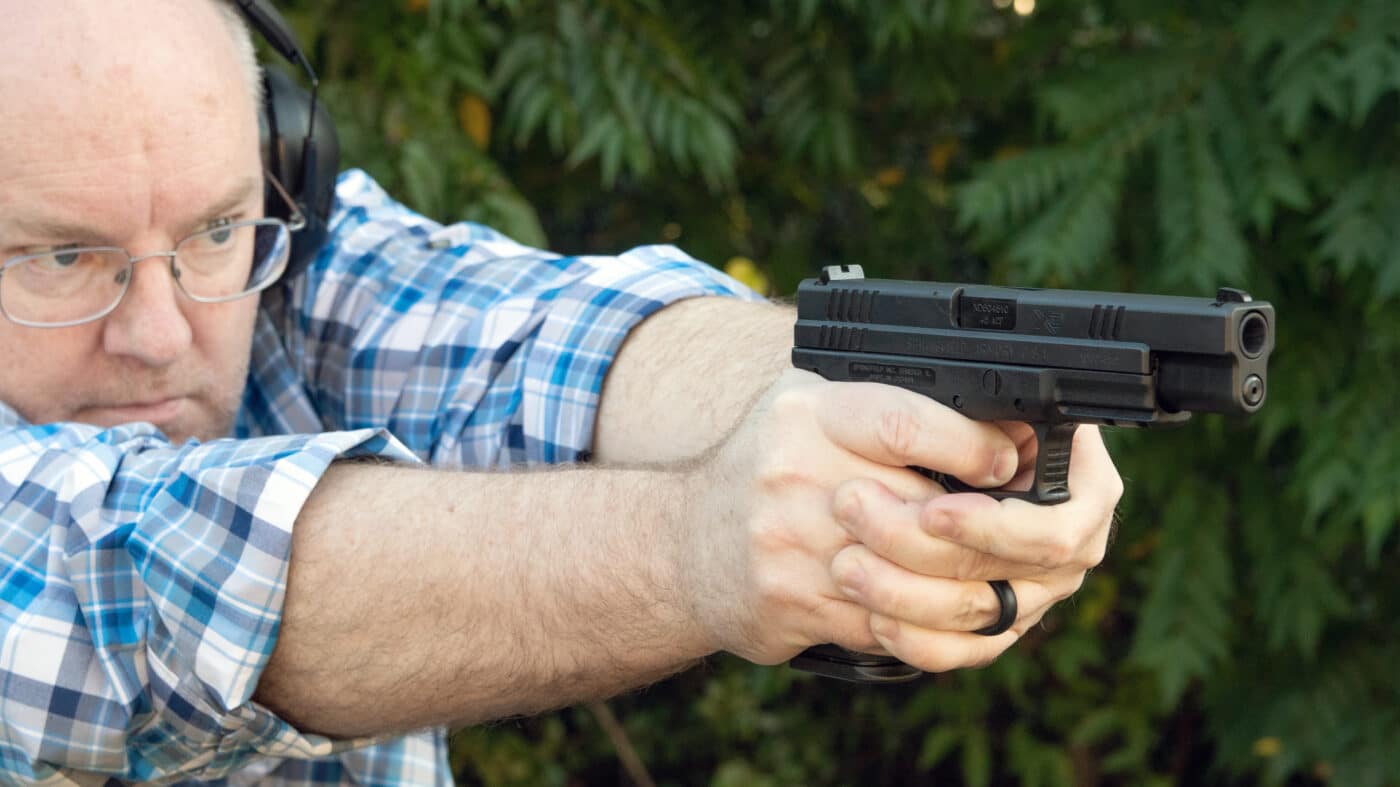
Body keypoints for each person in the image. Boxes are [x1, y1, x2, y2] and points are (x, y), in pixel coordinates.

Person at [0, 0, 1123, 784]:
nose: (159, 334)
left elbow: (538, 337)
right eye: (59, 257)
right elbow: (128, 584)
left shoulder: (285, 255)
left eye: (210, 230)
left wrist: (886, 399)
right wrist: (699, 545)